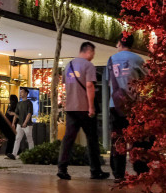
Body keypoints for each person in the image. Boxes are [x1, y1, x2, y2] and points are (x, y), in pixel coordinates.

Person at [57, 41, 109, 180]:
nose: (93, 56)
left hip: (70, 108)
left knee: (68, 139)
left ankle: (62, 168)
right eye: (93, 53)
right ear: (89, 51)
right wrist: (91, 107)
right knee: (92, 139)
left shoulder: (68, 65)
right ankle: (95, 170)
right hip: (85, 109)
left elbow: (66, 86)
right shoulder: (88, 65)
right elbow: (89, 86)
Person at [106, 34, 145, 181]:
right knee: (137, 138)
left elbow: (109, 82)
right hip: (134, 104)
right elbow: (147, 81)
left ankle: (118, 173)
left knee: (118, 139)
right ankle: (140, 170)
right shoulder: (138, 60)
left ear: (119, 43)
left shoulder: (111, 60)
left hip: (115, 105)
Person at [6, 87, 35, 159]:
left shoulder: (29, 103)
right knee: (17, 139)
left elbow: (29, 114)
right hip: (19, 124)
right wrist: (13, 123)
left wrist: (25, 123)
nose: (21, 94)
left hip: (27, 125)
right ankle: (14, 154)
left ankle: (32, 154)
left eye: (22, 92)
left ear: (26, 93)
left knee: (29, 139)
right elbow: (16, 114)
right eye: (20, 92)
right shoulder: (19, 103)